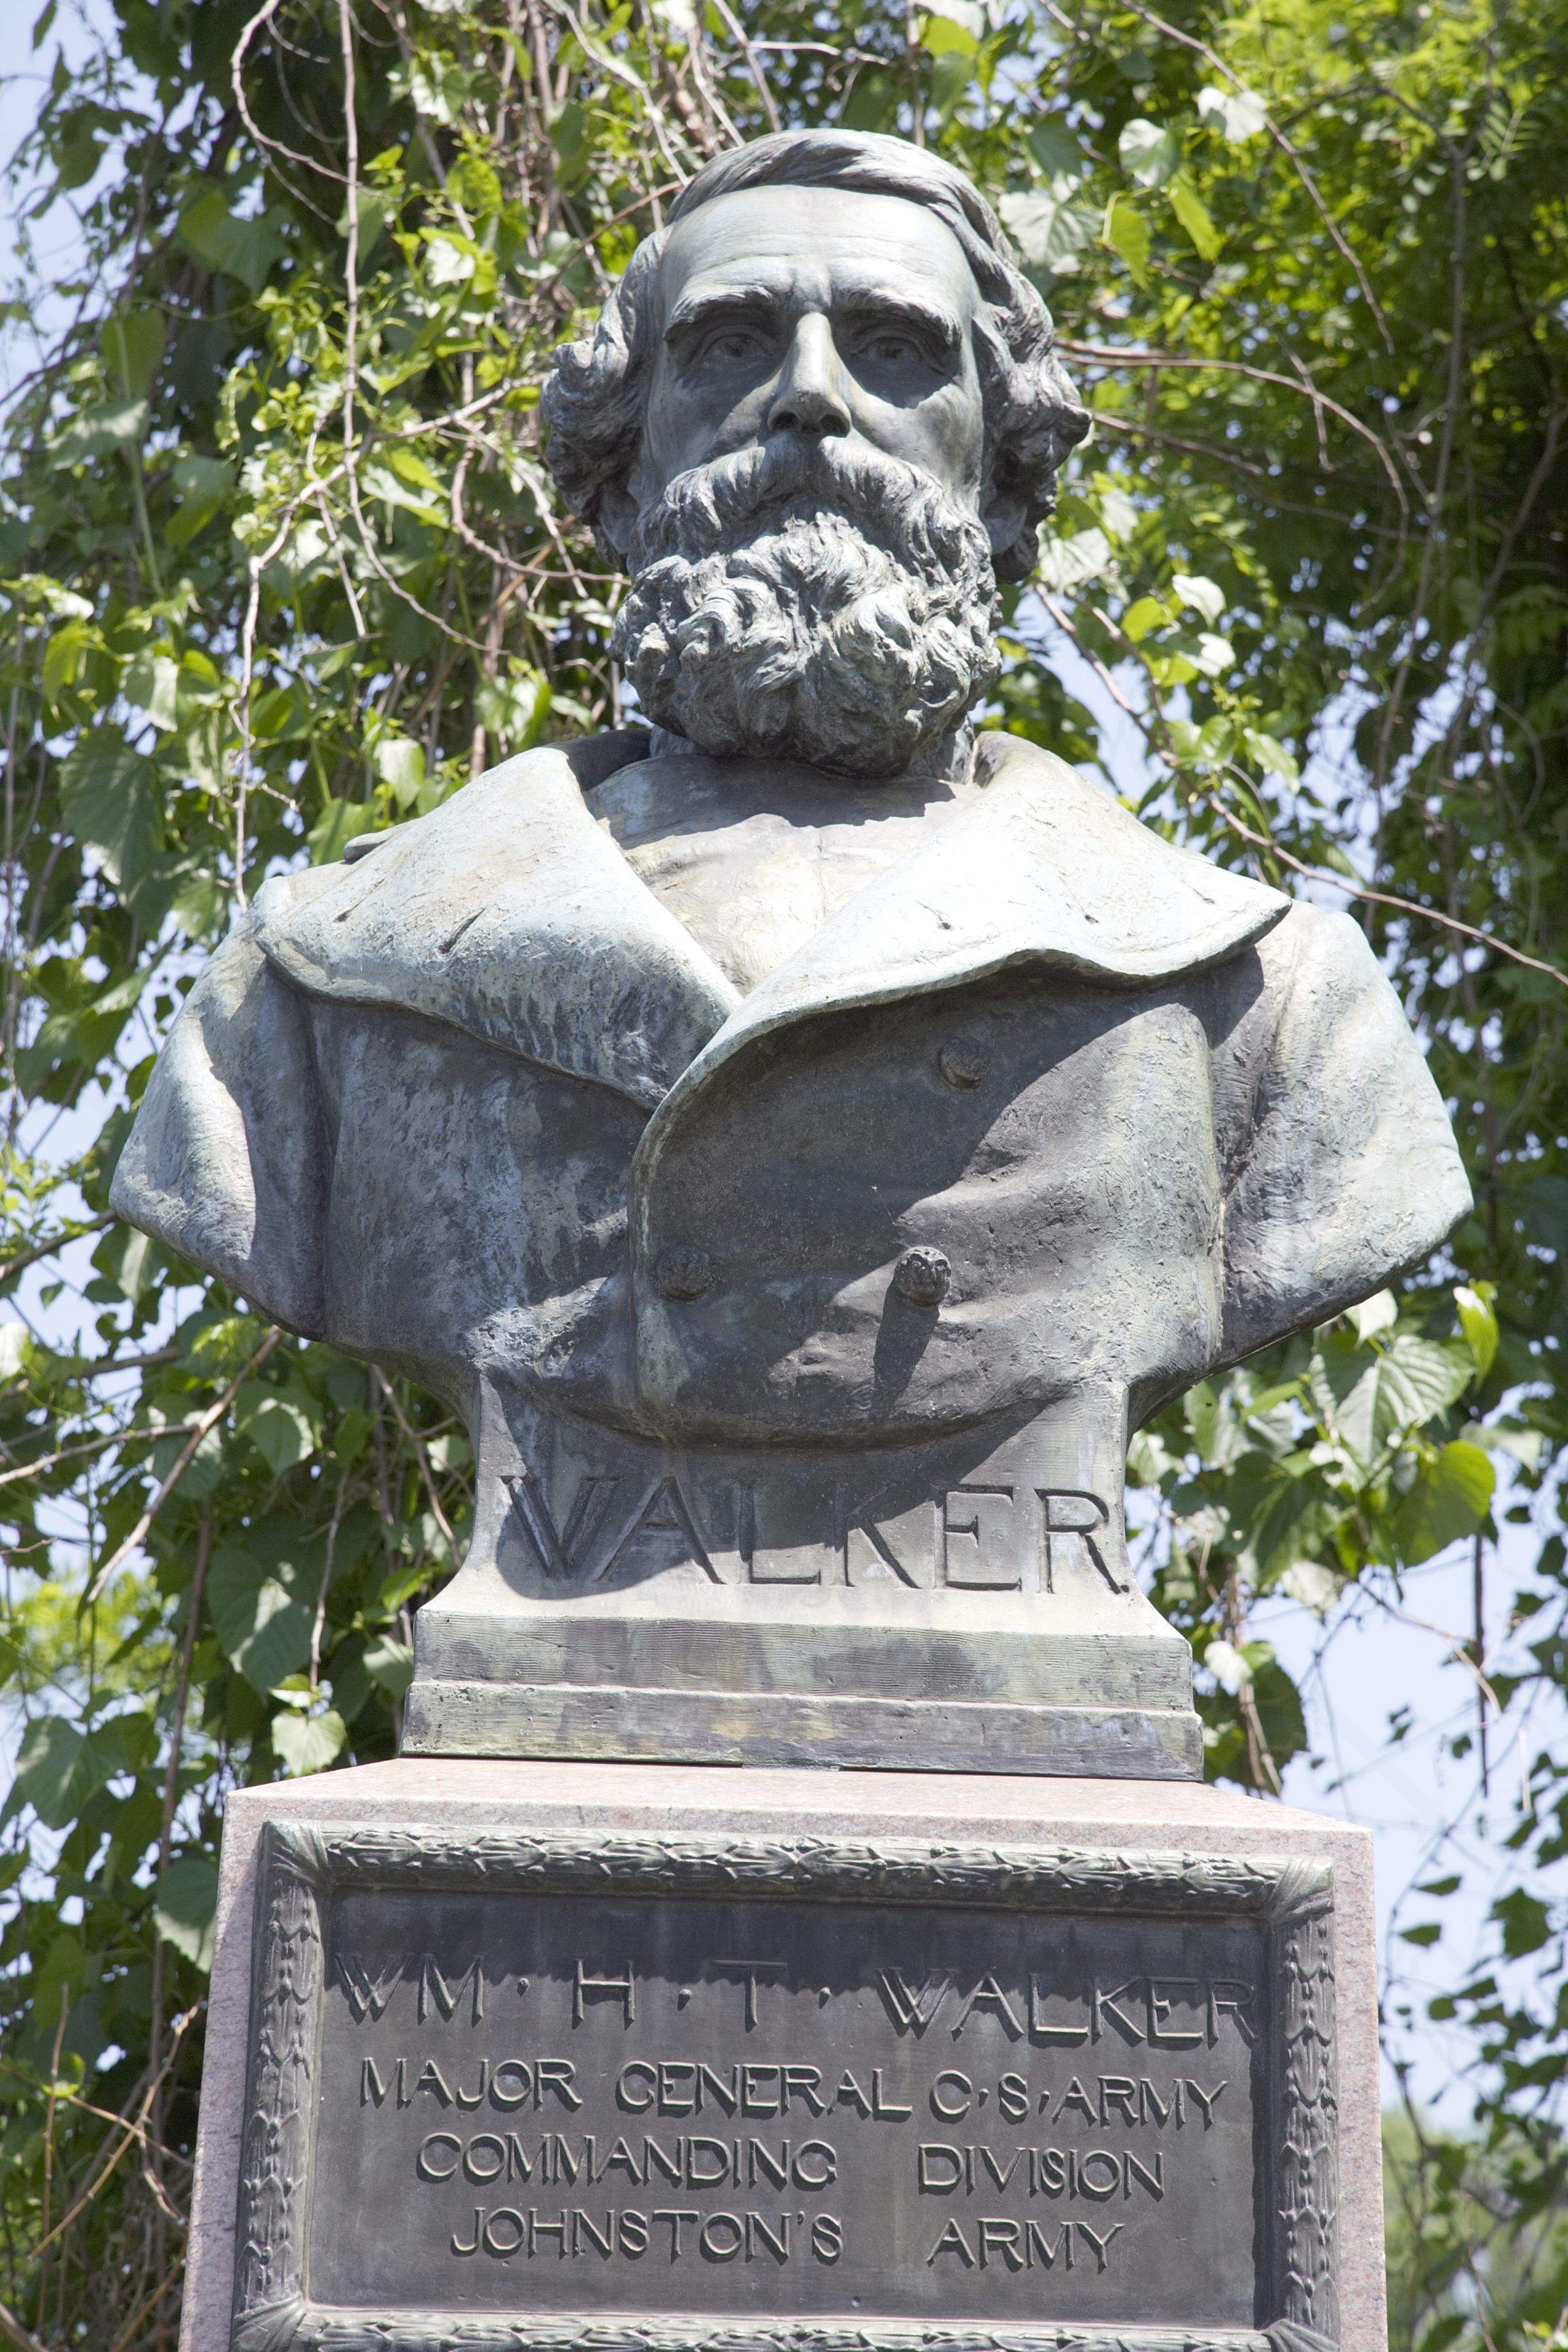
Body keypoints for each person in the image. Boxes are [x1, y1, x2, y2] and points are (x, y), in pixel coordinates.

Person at [109, 131, 1470, 1771]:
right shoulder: (315, 999)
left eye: (893, 349)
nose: (810, 399)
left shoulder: (1263, 1005)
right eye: (733, 345)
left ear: (1003, 470)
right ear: (621, 471)